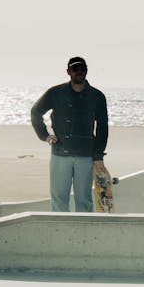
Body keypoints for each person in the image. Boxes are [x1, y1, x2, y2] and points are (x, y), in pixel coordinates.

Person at [31, 56, 108, 212]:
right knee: (59, 201)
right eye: (75, 69)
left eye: (82, 68)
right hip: (60, 154)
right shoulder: (56, 93)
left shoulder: (97, 96)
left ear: (86, 71)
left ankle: (83, 235)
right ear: (68, 71)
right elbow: (36, 111)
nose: (79, 72)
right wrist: (45, 136)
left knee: (85, 202)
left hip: (85, 156)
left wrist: (98, 156)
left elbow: (103, 127)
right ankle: (61, 234)